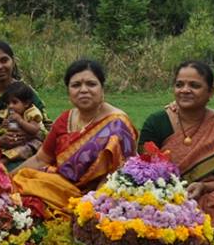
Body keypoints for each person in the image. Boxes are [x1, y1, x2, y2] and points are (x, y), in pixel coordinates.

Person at [12, 59, 137, 218]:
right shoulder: (65, 119)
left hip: (97, 198)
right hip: (57, 187)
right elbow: (41, 159)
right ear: (68, 91)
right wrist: (8, 178)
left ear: (102, 89)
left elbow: (118, 175)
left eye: (91, 84)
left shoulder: (118, 124)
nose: (83, 90)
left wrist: (90, 208)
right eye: (76, 85)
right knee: (19, 186)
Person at [139, 61, 214, 237]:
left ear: (210, 92)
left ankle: (203, 237)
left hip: (207, 197)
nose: (185, 90)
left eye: (194, 85)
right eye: (179, 84)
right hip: (162, 197)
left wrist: (203, 186)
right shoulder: (157, 122)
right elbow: (142, 172)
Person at [0, 81, 45, 163]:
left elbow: (35, 130)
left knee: (25, 149)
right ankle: (1, 156)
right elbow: (13, 128)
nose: (10, 106)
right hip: (20, 140)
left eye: (14, 102)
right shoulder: (14, 113)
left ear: (26, 103)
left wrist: (20, 120)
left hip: (34, 141)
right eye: (8, 103)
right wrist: (5, 125)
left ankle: (5, 160)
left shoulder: (32, 112)